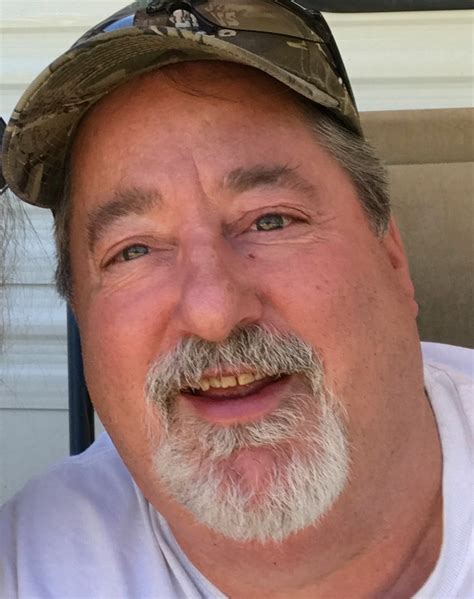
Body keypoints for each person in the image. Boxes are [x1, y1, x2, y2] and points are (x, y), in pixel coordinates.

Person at [0, 2, 472, 597]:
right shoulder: (27, 567)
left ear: (392, 255)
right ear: (83, 318)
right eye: (133, 250)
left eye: (270, 220)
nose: (214, 313)